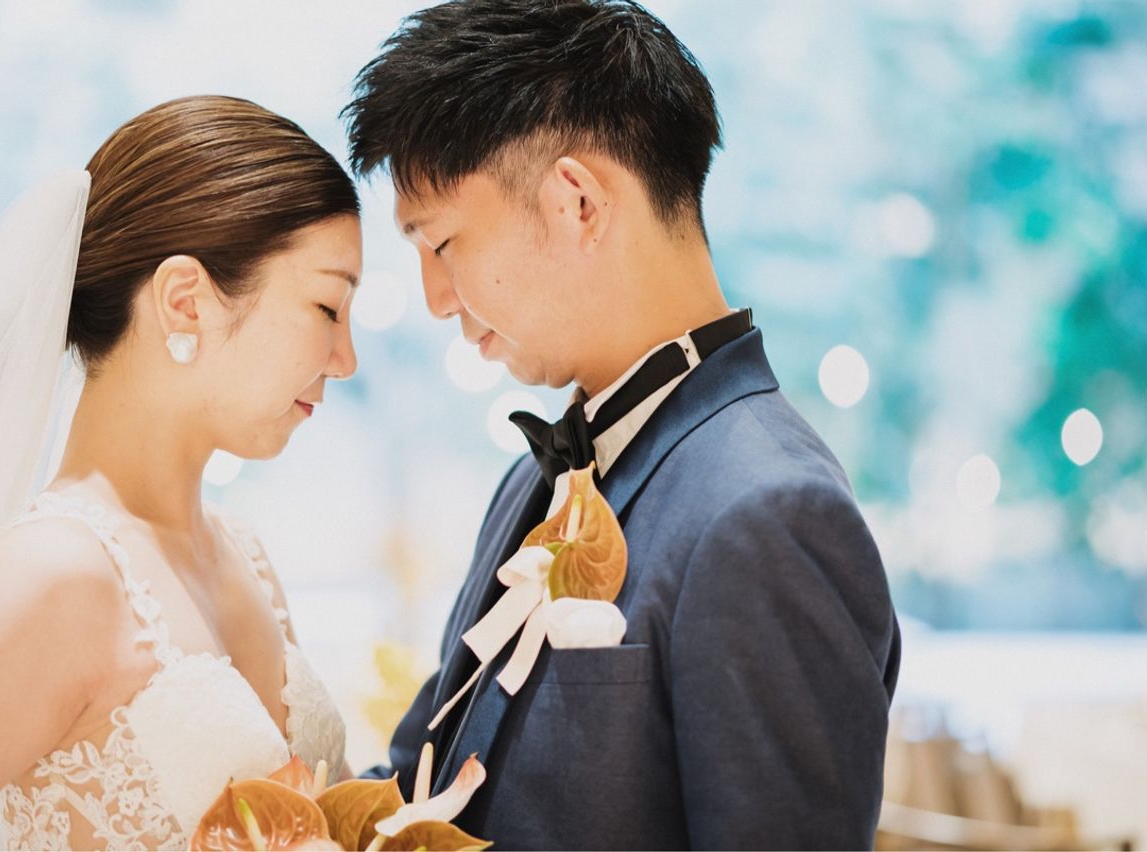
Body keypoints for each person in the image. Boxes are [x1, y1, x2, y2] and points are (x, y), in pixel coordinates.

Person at [344, 0, 901, 848]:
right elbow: (424, 781)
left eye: (443, 243)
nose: (435, 299)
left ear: (577, 203)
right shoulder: (529, 482)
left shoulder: (769, 514)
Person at [0, 95, 360, 850]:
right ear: (185, 302)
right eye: (327, 307)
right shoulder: (53, 576)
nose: (345, 359)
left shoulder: (248, 558)